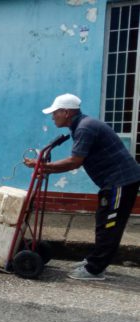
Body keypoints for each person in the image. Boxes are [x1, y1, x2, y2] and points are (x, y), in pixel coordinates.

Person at [24, 93, 140, 280]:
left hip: (121, 181)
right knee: (104, 222)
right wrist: (44, 167)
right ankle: (94, 260)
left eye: (55, 113)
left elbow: (74, 162)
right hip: (114, 181)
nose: (53, 117)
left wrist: (43, 167)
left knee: (109, 225)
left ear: (66, 112)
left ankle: (95, 270)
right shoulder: (81, 125)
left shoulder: (85, 128)